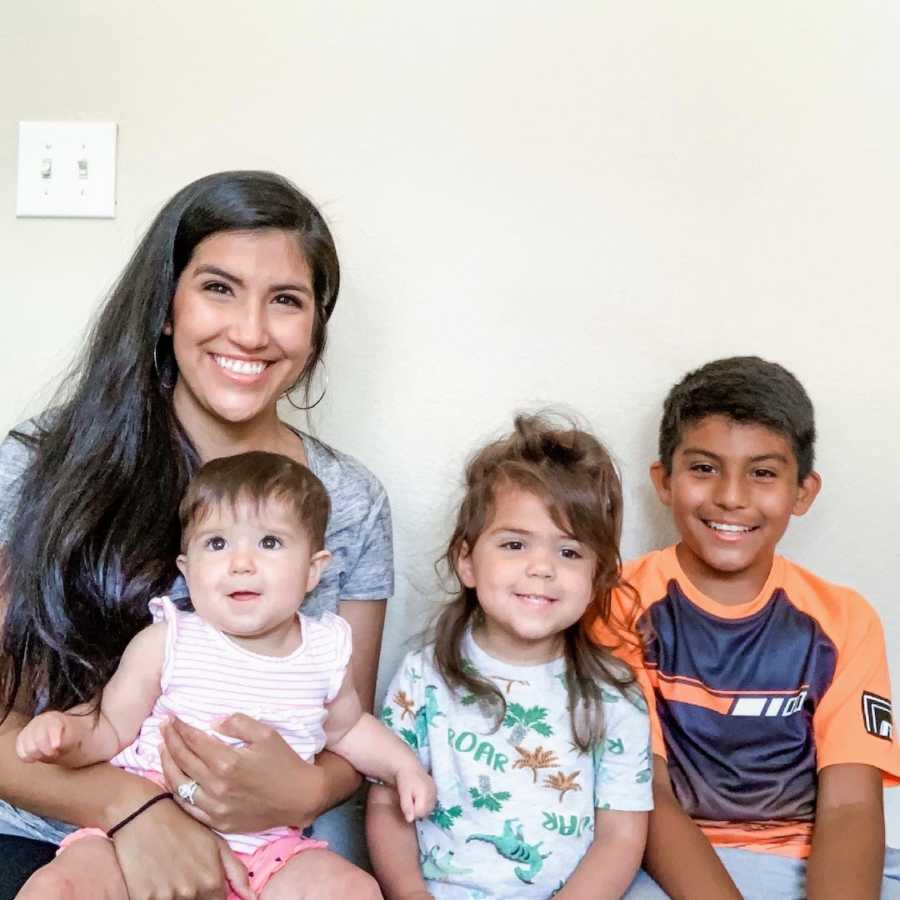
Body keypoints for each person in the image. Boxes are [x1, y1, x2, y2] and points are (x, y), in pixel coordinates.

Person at [0, 171, 394, 900]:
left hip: (263, 852)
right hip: (46, 837)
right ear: (166, 307)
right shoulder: (38, 467)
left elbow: (346, 735)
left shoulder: (352, 502)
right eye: (218, 288)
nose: (249, 330)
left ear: (315, 326)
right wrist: (133, 809)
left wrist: (299, 795)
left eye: (285, 300)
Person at [15, 452, 434, 899]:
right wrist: (64, 735)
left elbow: (348, 729)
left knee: (352, 889)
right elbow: (111, 727)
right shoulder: (168, 641)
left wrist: (403, 767)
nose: (241, 563)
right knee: (59, 887)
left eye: (269, 543)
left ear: (314, 569)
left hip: (268, 849)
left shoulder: (324, 651)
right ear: (187, 568)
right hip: (139, 838)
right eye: (217, 544)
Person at [590, 356, 900, 899]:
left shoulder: (844, 618)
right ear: (663, 481)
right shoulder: (620, 603)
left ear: (802, 491)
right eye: (704, 468)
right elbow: (647, 793)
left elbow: (850, 805)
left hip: (817, 864)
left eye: (762, 472)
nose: (731, 496)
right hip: (668, 868)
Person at [367, 414, 653, 899]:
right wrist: (409, 893)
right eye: (515, 544)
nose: (541, 568)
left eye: (569, 553)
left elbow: (621, 835)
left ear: (597, 576)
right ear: (467, 560)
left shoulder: (614, 695)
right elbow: (386, 802)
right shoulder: (422, 675)